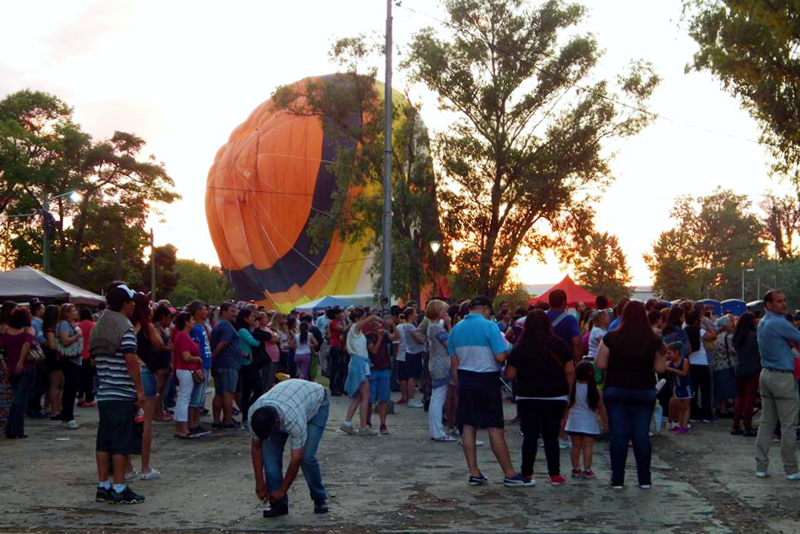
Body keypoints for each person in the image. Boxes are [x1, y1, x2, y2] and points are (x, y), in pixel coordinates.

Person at [448, 295, 527, 487]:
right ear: (485, 309)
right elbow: (500, 356)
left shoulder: (455, 330)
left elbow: (454, 363)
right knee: (495, 428)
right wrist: (509, 351)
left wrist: (460, 384)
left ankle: (474, 472)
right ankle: (509, 473)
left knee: (468, 427)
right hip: (486, 381)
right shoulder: (490, 326)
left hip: (466, 380)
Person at [596, 300, 666, 490]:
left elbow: (600, 363)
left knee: (618, 434)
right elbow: (661, 367)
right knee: (641, 435)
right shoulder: (653, 340)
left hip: (616, 389)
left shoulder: (611, 337)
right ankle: (644, 479)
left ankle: (617, 479)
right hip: (644, 390)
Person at [506, 310, 576, 486]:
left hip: (527, 395)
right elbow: (570, 370)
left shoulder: (520, 347)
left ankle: (527, 473)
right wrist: (568, 393)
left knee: (530, 436)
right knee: (551, 436)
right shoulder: (559, 344)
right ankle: (555, 474)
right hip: (555, 396)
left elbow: (510, 374)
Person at [90, 284, 146, 504]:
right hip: (121, 393)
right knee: (121, 443)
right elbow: (130, 359)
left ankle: (103, 486)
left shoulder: (99, 326)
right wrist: (139, 389)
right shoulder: (125, 327)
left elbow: (93, 359)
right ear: (125, 304)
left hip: (104, 392)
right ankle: (120, 488)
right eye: (131, 301)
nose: (134, 305)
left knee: (104, 442)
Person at [249, 379, 330, 518]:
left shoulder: (294, 420)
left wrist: (282, 490)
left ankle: (319, 497)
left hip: (316, 403)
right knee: (270, 463)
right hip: (290, 400)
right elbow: (256, 446)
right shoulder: (254, 414)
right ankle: (279, 505)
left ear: (277, 424)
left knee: (307, 457)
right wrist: (259, 482)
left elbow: (296, 458)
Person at [754, 290, 800, 480]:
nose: (783, 304)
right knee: (789, 425)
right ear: (769, 304)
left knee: (766, 424)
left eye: (784, 300)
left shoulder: (763, 322)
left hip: (766, 374)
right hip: (783, 376)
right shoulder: (780, 323)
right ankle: (791, 469)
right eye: (779, 301)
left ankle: (761, 466)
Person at [132, 294, 165, 477]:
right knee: (146, 424)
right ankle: (145, 467)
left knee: (129, 421)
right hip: (145, 371)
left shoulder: (126, 326)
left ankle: (127, 467)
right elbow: (159, 344)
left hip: (128, 373)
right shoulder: (147, 327)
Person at [339, 309, 382, 436]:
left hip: (359, 364)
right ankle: (363, 426)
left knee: (358, 396)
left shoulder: (355, 331)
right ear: (358, 319)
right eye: (363, 318)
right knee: (365, 396)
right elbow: (371, 317)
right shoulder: (355, 328)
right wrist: (378, 319)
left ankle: (347, 422)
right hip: (360, 365)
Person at [566, 361, 607, 480]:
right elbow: (601, 407)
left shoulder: (572, 389)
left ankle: (575, 469)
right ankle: (587, 470)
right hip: (589, 423)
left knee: (575, 446)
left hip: (574, 422)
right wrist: (606, 422)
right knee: (588, 447)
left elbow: (567, 405)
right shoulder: (595, 390)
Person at [0, 308, 36, 438]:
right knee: (20, 399)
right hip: (26, 367)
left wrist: (3, 362)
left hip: (11, 369)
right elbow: (27, 344)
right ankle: (17, 430)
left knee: (17, 399)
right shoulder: (29, 330)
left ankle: (11, 429)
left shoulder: (7, 332)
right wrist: (21, 361)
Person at [426, 300, 457, 442]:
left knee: (436, 398)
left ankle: (435, 430)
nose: (446, 313)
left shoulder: (432, 326)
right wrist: (449, 325)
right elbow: (450, 343)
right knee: (438, 398)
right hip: (441, 365)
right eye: (444, 310)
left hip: (436, 363)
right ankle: (438, 432)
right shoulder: (437, 328)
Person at [210, 303, 242, 430]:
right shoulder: (226, 325)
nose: (234, 313)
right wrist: (214, 355)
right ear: (223, 312)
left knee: (219, 393)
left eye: (235, 311)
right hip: (227, 364)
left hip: (220, 364)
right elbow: (223, 343)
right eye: (231, 311)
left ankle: (217, 421)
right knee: (228, 392)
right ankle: (228, 421)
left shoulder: (217, 325)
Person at [173, 311, 203, 439]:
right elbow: (186, 356)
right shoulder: (183, 336)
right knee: (184, 399)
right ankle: (183, 428)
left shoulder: (183, 335)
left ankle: (181, 426)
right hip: (186, 370)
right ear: (186, 322)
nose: (193, 322)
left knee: (182, 399)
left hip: (184, 370)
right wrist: (197, 359)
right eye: (191, 320)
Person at [684, 310, 717, 423]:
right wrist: (707, 323)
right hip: (702, 362)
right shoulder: (700, 331)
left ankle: (693, 414)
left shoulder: (684, 331)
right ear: (697, 320)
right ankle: (707, 414)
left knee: (693, 390)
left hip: (690, 363)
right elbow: (713, 336)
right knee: (705, 390)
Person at [732, 312, 760, 436]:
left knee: (741, 398)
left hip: (740, 368)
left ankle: (736, 425)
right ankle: (747, 426)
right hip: (753, 369)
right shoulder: (754, 336)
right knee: (750, 399)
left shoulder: (737, 336)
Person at [57, 303, 83, 430]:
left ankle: (66, 416)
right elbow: (65, 340)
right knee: (70, 388)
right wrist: (78, 334)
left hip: (74, 359)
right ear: (66, 313)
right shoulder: (64, 324)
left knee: (72, 387)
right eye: (73, 310)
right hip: (69, 360)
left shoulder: (70, 324)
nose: (76, 312)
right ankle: (68, 416)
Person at [236, 308, 264, 426]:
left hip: (249, 362)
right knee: (256, 389)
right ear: (245, 318)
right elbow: (255, 343)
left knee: (248, 391)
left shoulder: (245, 329)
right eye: (251, 317)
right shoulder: (243, 330)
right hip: (248, 363)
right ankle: (247, 413)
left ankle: (246, 415)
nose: (254, 318)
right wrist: (259, 330)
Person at [399, 307, 426, 409]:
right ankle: (411, 399)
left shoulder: (409, 326)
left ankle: (412, 399)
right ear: (410, 315)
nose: (417, 314)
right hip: (414, 353)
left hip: (412, 352)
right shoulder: (410, 326)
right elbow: (418, 339)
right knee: (412, 378)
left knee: (414, 377)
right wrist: (424, 338)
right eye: (415, 313)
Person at [27, 300, 50, 418]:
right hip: (39, 356)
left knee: (39, 383)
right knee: (41, 383)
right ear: (37, 310)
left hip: (38, 356)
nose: (44, 310)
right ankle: (34, 407)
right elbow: (42, 340)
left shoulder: (36, 323)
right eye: (42, 308)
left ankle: (32, 407)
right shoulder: (36, 324)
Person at [152, 305, 174, 422]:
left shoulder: (164, 328)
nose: (170, 322)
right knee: (158, 389)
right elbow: (157, 346)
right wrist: (169, 348)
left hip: (165, 361)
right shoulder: (156, 328)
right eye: (169, 318)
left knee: (162, 389)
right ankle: (157, 412)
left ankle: (161, 410)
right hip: (159, 361)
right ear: (163, 317)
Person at [665, 342, 692, 435]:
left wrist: (673, 370)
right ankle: (680, 425)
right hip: (677, 387)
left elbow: (684, 373)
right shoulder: (670, 363)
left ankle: (684, 426)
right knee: (680, 408)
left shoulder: (684, 361)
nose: (668, 355)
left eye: (669, 353)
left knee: (686, 407)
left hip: (686, 386)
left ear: (676, 352)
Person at [714, 315, 738, 419]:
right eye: (729, 323)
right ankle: (737, 410)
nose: (731, 324)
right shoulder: (728, 337)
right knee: (732, 390)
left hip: (718, 365)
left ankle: (722, 409)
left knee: (722, 389)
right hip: (728, 364)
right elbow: (734, 350)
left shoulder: (717, 337)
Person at [42, 304, 62, 419]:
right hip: (54, 358)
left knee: (57, 385)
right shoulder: (51, 328)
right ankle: (54, 410)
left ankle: (56, 409)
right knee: (55, 385)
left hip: (54, 358)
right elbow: (52, 345)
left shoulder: (49, 327)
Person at [76, 308, 96, 408]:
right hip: (90, 354)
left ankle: (80, 397)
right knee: (89, 378)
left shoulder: (77, 326)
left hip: (78, 354)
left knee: (80, 378)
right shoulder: (94, 326)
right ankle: (89, 399)